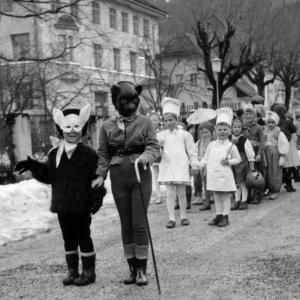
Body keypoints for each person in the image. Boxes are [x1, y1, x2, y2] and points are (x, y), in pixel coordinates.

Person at [14, 105, 106, 286]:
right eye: (67, 128)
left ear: (83, 129)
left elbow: (97, 179)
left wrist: (97, 197)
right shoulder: (55, 154)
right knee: (68, 239)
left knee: (83, 238)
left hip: (81, 206)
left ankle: (89, 272)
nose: (72, 132)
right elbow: (49, 176)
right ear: (61, 129)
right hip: (63, 205)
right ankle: (72, 271)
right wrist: (33, 166)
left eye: (76, 127)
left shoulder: (89, 155)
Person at [93, 82, 160, 286]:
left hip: (141, 175)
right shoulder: (106, 126)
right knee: (126, 224)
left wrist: (146, 157)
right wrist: (100, 175)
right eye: (125, 101)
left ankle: (142, 270)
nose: (130, 106)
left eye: (134, 101)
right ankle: (131, 269)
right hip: (118, 177)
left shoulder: (145, 122)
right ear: (115, 101)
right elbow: (103, 153)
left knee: (139, 223)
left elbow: (154, 147)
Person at [157, 97, 199, 229]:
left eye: (171, 120)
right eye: (166, 120)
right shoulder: (161, 135)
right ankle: (171, 218)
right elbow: (156, 150)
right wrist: (159, 150)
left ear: (177, 120)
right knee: (170, 193)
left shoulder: (185, 134)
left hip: (180, 165)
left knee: (181, 192)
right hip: (168, 164)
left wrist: (194, 164)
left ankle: (183, 216)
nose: (168, 123)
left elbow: (192, 151)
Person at [200, 108, 241, 227]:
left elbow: (237, 159)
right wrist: (200, 165)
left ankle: (225, 216)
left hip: (224, 175)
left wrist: (228, 162)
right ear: (216, 131)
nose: (222, 131)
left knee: (225, 196)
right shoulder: (212, 145)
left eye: (225, 129)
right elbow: (206, 158)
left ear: (229, 131)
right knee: (216, 195)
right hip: (213, 174)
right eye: (220, 129)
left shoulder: (231, 146)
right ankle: (218, 214)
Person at [271, 103, 300, 192]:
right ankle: (289, 185)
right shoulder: (287, 121)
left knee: (282, 166)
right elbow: (294, 129)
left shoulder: (274, 122)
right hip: (288, 145)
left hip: (277, 145)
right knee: (289, 165)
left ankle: (280, 183)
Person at [230, 117, 255, 210]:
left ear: (241, 129)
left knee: (243, 182)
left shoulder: (244, 140)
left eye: (238, 127)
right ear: (231, 128)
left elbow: (249, 152)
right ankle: (237, 200)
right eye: (234, 127)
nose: (236, 129)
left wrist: (251, 163)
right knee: (236, 183)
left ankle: (244, 200)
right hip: (232, 163)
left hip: (242, 163)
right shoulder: (229, 139)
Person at [263, 111, 289, 200]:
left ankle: (274, 190)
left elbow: (283, 144)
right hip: (265, 153)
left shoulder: (279, 133)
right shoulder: (264, 131)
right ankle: (267, 188)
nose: (270, 124)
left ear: (276, 123)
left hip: (274, 153)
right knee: (266, 171)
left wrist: (282, 156)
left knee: (274, 171)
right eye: (268, 122)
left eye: (273, 122)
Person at [242, 105, 265, 204]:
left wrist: (259, 154)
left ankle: (257, 195)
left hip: (255, 151)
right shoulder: (242, 127)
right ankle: (246, 195)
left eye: (250, 113)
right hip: (245, 152)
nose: (248, 115)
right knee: (246, 173)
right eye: (246, 114)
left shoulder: (259, 128)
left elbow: (262, 142)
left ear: (255, 116)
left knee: (256, 173)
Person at [196, 121, 214, 211]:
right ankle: (207, 203)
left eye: (206, 132)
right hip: (203, 166)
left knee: (216, 183)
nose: (204, 135)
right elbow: (196, 153)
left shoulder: (215, 142)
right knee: (205, 184)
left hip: (213, 165)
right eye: (202, 133)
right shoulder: (199, 143)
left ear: (211, 132)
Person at [149, 112, 164, 204]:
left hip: (163, 154)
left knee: (166, 174)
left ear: (159, 121)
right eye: (151, 120)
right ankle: (159, 195)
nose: (153, 122)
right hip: (153, 154)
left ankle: (173, 195)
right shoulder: (148, 132)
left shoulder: (163, 131)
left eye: (155, 120)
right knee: (155, 175)